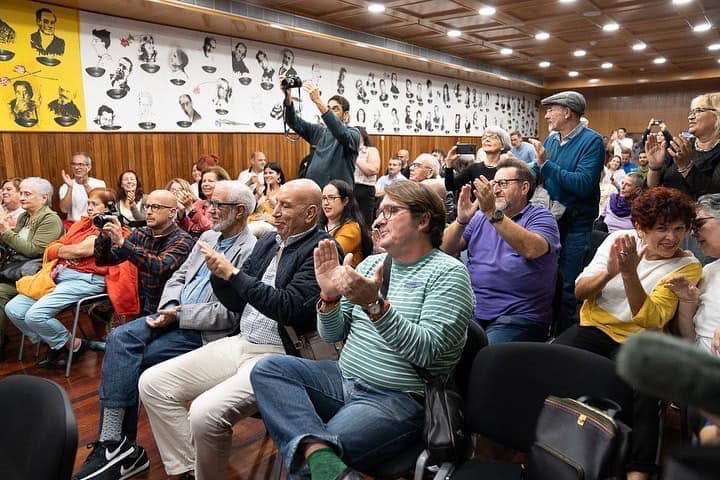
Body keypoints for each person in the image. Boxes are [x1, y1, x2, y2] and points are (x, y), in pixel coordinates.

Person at [249, 180, 473, 479]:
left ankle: (317, 457)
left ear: (423, 220)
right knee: (268, 369)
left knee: (305, 472)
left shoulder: (449, 274)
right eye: (379, 212)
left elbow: (428, 354)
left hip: (396, 396)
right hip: (343, 378)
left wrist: (374, 305)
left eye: (391, 211)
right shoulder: (370, 265)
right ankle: (318, 451)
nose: (378, 221)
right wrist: (328, 297)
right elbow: (332, 334)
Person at [137, 179, 330, 480]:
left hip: (279, 356)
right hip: (242, 341)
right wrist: (220, 274)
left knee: (204, 413)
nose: (276, 212)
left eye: (286, 206)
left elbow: (289, 308)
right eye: (276, 204)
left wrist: (233, 274)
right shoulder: (269, 241)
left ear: (310, 213)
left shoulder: (321, 249)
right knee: (153, 383)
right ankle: (189, 468)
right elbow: (236, 301)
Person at [73, 182, 257, 480]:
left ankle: (118, 446)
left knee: (133, 361)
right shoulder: (208, 236)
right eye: (210, 203)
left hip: (200, 329)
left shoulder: (250, 250)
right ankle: (114, 441)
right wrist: (169, 307)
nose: (209, 209)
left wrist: (179, 314)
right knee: (119, 339)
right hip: (169, 315)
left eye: (217, 205)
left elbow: (229, 314)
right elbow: (178, 277)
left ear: (239, 211)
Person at [554, 187, 702, 479]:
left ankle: (639, 469)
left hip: (641, 339)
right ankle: (551, 444)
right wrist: (610, 272)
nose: (671, 237)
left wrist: (629, 273)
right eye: (661, 229)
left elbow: (651, 319)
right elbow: (580, 292)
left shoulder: (687, 265)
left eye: (679, 229)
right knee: (552, 362)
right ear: (640, 227)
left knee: (648, 389)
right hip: (595, 326)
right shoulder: (616, 240)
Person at [5, 188, 139, 368]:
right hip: (60, 274)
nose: (89, 207)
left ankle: (66, 345)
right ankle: (65, 343)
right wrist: (63, 250)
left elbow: (77, 250)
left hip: (87, 279)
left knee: (35, 315)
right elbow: (59, 246)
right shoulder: (83, 224)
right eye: (88, 203)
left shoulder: (111, 229)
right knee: (13, 308)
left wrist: (60, 250)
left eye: (94, 204)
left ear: (108, 207)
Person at [442, 158, 560, 343]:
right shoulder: (480, 217)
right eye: (494, 183)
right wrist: (461, 220)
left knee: (485, 356)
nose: (495, 190)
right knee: (439, 348)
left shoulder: (541, 217)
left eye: (503, 183)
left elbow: (531, 249)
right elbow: (445, 249)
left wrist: (491, 212)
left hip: (518, 316)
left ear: (524, 188)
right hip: (472, 309)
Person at [530, 91, 605, 333]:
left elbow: (583, 184)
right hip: (550, 221)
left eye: (551, 110)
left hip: (575, 224)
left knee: (567, 284)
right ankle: (545, 329)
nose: (546, 115)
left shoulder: (592, 141)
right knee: (547, 277)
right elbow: (539, 170)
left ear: (567, 112)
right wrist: (515, 171)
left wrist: (545, 164)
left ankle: (562, 336)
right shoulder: (552, 140)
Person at [93, 189, 194, 317]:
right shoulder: (140, 233)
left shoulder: (183, 239)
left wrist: (123, 243)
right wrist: (105, 236)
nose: (149, 212)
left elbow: (159, 267)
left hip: (171, 309)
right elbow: (104, 260)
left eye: (155, 207)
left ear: (172, 212)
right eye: (147, 206)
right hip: (146, 304)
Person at [0, 177, 63, 358]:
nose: (22, 197)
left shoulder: (50, 219)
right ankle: (46, 340)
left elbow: (34, 250)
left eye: (27, 194)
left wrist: (6, 232)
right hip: (15, 270)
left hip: (34, 275)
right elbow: (13, 246)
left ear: (44, 197)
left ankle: (49, 341)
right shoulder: (24, 217)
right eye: (21, 193)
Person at [283, 79, 360, 188]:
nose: (330, 111)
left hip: (337, 193)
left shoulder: (354, 134)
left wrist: (318, 100)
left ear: (345, 115)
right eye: (328, 108)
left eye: (335, 109)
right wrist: (288, 97)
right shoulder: (319, 131)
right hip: (315, 190)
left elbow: (340, 132)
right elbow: (293, 122)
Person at [668, 193, 720, 354]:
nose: (693, 233)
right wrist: (686, 303)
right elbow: (689, 339)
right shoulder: (708, 271)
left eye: (699, 224)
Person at [646, 92, 720, 199]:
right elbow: (652, 186)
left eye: (699, 111)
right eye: (691, 112)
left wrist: (686, 167)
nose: (690, 117)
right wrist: (654, 167)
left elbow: (715, 196)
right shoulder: (681, 145)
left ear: (717, 114)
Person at [320, 180, 373, 268]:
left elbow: (328, 254)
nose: (326, 203)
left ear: (345, 201)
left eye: (331, 198)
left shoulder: (352, 228)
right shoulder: (320, 224)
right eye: (324, 198)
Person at [444, 126, 511, 193]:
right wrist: (449, 164)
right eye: (484, 137)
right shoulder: (473, 167)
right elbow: (450, 186)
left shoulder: (507, 169)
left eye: (493, 137)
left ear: (503, 146)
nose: (487, 140)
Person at [177, 166, 231, 237]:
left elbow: (212, 229)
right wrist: (181, 212)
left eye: (210, 181)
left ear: (222, 183)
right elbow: (184, 230)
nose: (205, 184)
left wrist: (191, 209)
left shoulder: (226, 205)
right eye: (203, 181)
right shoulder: (198, 204)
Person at [58, 152, 106, 227]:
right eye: (74, 164)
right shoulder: (65, 186)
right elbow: (64, 210)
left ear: (89, 167)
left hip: (93, 224)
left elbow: (99, 204)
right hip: (73, 224)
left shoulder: (99, 184)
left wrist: (85, 184)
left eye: (80, 164)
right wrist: (70, 187)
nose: (76, 167)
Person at [353, 127, 380, 227]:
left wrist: (355, 156)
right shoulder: (347, 149)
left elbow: (373, 170)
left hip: (364, 189)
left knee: (364, 223)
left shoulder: (371, 150)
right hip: (349, 187)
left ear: (363, 136)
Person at [248, 161, 284, 226]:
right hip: (256, 219)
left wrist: (269, 198)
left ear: (278, 175)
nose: (267, 175)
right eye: (265, 173)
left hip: (274, 222)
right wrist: (257, 196)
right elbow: (250, 209)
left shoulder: (284, 190)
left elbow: (283, 211)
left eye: (270, 173)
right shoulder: (261, 189)